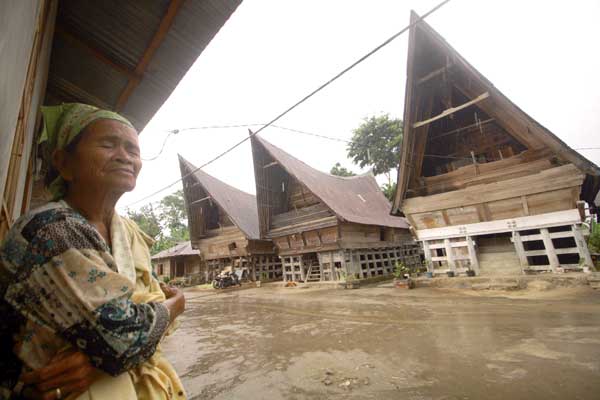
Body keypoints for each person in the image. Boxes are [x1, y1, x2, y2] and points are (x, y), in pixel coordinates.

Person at [0, 103, 186, 399]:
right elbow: (125, 338)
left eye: (132, 150)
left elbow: (140, 323)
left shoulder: (126, 232)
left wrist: (100, 361)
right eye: (108, 144)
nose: (125, 157)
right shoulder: (53, 230)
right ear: (64, 163)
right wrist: (177, 304)